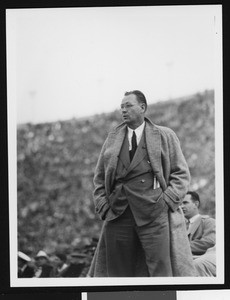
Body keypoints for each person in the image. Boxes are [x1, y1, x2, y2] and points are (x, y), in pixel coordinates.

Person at [88, 90, 194, 277]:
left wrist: (166, 200)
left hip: (154, 214)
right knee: (117, 274)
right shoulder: (112, 138)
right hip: (118, 214)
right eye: (121, 107)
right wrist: (104, 205)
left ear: (143, 107)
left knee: (160, 271)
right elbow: (99, 177)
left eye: (128, 106)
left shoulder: (164, 135)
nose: (123, 110)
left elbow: (181, 173)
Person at [181, 191, 216, 276]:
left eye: (185, 203)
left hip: (201, 260)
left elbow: (209, 242)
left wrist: (181, 248)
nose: (181, 206)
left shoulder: (208, 222)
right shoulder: (180, 226)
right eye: (180, 203)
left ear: (196, 204)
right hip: (185, 260)